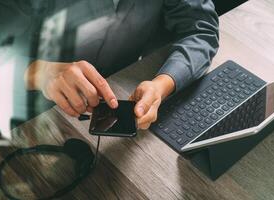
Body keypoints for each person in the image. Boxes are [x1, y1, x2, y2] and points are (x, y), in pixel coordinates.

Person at [24, 0, 219, 130]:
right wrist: (42, 73)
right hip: (28, 115)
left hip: (116, 101)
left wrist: (161, 85)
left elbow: (200, 30)